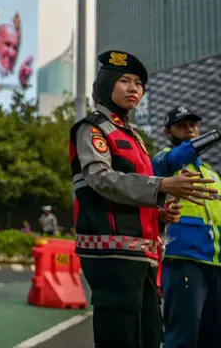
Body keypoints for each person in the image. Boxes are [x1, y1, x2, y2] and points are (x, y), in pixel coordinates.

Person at [69, 50, 217, 348]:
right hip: (112, 251)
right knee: (121, 338)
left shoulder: (134, 137)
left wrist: (160, 212)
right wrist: (161, 184)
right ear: (106, 84)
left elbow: (134, 190)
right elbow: (101, 179)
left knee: (150, 337)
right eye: (125, 80)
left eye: (139, 83)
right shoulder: (93, 128)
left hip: (144, 254)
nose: (134, 88)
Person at [151, 106, 221, 348]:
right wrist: (211, 137)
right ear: (167, 131)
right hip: (184, 261)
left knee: (213, 338)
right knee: (182, 338)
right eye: (181, 125)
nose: (189, 129)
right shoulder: (165, 162)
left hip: (216, 265)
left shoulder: (212, 174)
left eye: (193, 124)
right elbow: (176, 157)